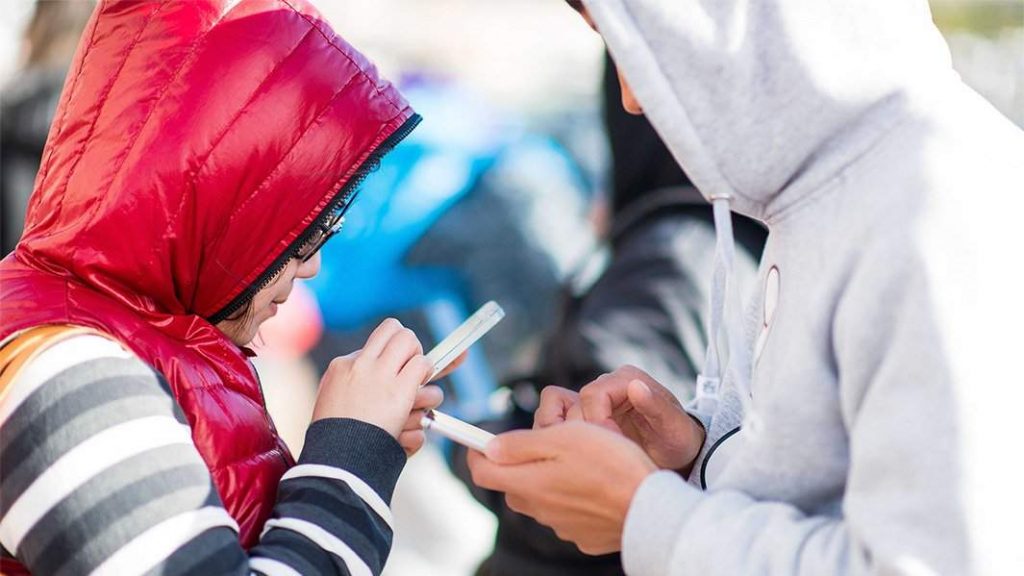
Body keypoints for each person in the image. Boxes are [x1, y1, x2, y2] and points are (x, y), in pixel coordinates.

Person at [468, 1, 1024, 574]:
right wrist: (693, 455)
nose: (633, 99)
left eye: (638, 46)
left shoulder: (934, 208)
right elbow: (821, 492)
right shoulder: (825, 195)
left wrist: (649, 516)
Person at [0, 1, 445, 574]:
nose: (309, 266)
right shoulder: (68, 373)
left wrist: (359, 446)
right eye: (302, 233)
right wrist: (350, 454)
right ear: (217, 210)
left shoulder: (126, 334)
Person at [455, 51, 765, 576]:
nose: (629, 99)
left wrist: (476, 438)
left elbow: (597, 481)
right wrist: (691, 457)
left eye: (639, 69)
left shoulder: (674, 254)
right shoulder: (721, 239)